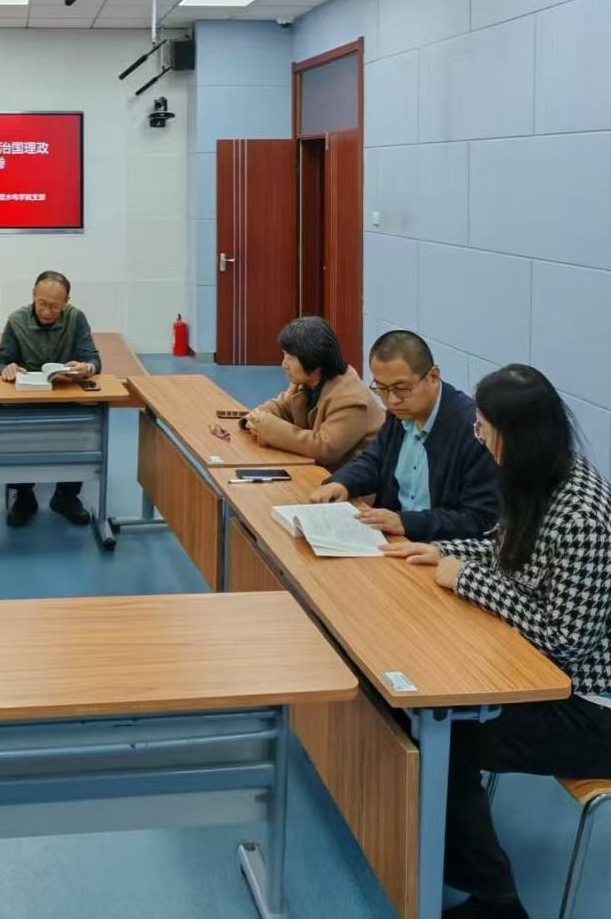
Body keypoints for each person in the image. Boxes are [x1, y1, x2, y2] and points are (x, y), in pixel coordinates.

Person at [382, 365, 611, 919]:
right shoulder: (539, 475)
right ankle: (441, 860)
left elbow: (565, 641)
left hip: (591, 706)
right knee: (426, 714)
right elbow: (502, 547)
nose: (477, 435)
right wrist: (444, 551)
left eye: (484, 426)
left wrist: (467, 578)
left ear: (517, 434)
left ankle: (496, 900)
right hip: (544, 677)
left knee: (449, 734)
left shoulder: (583, 516)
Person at [310, 329, 499, 542]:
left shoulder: (474, 431)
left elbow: (480, 519)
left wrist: (405, 522)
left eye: (401, 388)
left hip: (438, 549)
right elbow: (375, 460)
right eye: (382, 388)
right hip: (393, 539)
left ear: (433, 376)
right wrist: (342, 483)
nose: (391, 400)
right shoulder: (400, 412)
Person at [0, 269, 102, 526]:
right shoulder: (17, 321)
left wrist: (87, 367)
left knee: (82, 427)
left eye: (55, 306)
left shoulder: (76, 318)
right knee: (18, 433)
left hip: (65, 396)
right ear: (33, 295)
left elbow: (93, 358)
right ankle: (24, 495)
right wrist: (7, 368)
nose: (48, 311)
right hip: (27, 399)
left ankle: (66, 496)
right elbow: (0, 363)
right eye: (42, 303)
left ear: (66, 302)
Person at [242, 316, 383, 471]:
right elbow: (282, 406)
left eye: (290, 358)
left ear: (315, 363)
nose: (284, 364)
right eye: (284, 355)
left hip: (351, 481)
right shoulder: (306, 381)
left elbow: (325, 449)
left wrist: (267, 427)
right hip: (319, 471)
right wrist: (254, 419)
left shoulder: (351, 399)